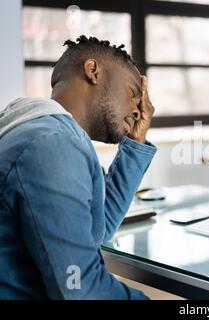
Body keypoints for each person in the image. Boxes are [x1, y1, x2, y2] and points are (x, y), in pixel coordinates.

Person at [0, 36, 156, 299]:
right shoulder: (52, 145)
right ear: (93, 71)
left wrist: (134, 144)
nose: (139, 110)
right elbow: (79, 289)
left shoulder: (41, 132)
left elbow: (98, 228)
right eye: (132, 93)